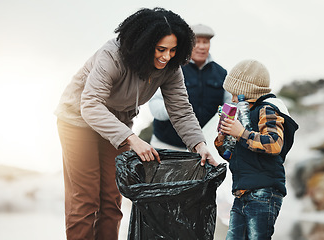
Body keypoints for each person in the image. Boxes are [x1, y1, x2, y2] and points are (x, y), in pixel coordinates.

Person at [54, 8, 217, 240]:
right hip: (78, 120)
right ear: (144, 43)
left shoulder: (170, 67)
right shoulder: (112, 55)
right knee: (86, 199)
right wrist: (132, 139)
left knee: (112, 199)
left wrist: (199, 145)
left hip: (118, 123)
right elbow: (90, 105)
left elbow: (180, 110)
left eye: (172, 50)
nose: (167, 56)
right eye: (161, 49)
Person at [214, 59, 298, 239]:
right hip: (241, 192)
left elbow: (274, 144)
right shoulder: (242, 117)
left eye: (236, 95)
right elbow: (235, 156)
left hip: (264, 191)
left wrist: (242, 132)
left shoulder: (267, 109)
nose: (233, 100)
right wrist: (223, 138)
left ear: (249, 93)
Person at [149, 23, 230, 150]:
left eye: (206, 42)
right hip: (166, 145)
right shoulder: (171, 69)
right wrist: (177, 109)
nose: (202, 47)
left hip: (203, 148)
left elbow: (230, 106)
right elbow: (155, 105)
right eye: (197, 42)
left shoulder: (222, 73)